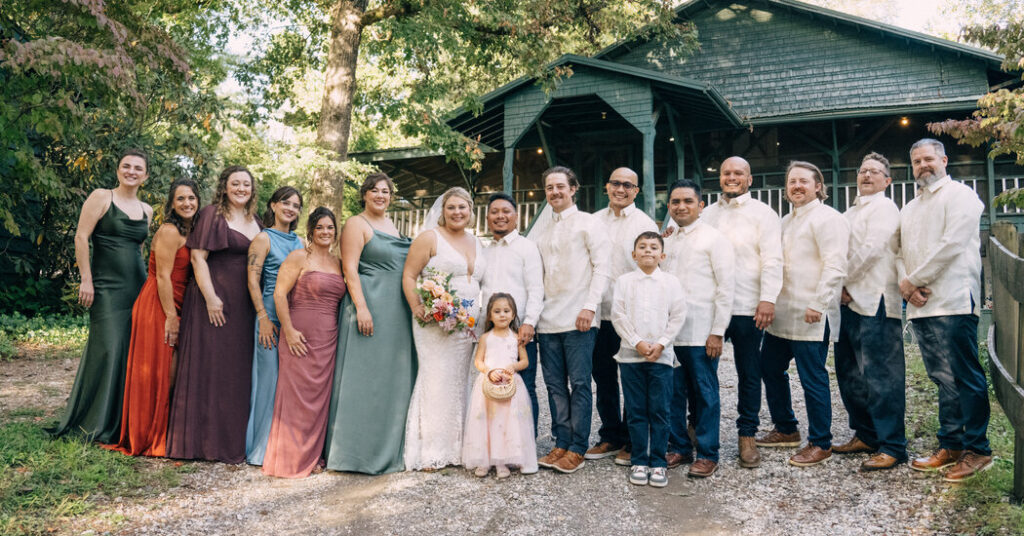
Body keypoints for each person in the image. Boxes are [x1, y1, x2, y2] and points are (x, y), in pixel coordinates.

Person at [900, 138, 991, 481]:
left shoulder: (961, 196)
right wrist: (907, 285)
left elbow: (952, 244)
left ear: (944, 160)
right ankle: (951, 444)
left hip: (953, 299)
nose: (923, 165)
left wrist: (913, 280)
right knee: (942, 378)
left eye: (928, 159)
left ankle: (978, 449)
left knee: (965, 376)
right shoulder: (910, 207)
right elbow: (900, 251)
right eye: (917, 161)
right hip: (922, 304)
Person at [50, 149, 152, 443]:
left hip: (137, 287)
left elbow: (139, 250)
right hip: (106, 286)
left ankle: (121, 419)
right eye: (126, 166)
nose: (131, 171)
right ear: (118, 170)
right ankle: (94, 419)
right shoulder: (101, 197)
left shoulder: (147, 210)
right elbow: (81, 237)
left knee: (129, 351)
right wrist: (86, 279)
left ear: (145, 176)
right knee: (107, 347)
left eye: (138, 168)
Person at [691, 156, 783, 469]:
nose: (732, 177)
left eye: (738, 173)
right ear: (719, 177)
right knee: (702, 372)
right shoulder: (706, 213)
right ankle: (697, 426)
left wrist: (767, 298)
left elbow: (772, 260)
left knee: (749, 372)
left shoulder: (763, 214)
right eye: (726, 172)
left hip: (746, 305)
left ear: (749, 179)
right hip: (711, 305)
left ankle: (747, 435)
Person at [167, 166, 262, 464]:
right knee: (211, 366)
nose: (241, 189)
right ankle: (204, 442)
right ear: (224, 187)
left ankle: (231, 440)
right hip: (214, 301)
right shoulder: (212, 215)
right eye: (235, 183)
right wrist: (210, 298)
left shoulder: (256, 220)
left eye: (246, 184)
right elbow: (198, 258)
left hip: (244, 304)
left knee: (234, 371)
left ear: (252, 189)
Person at [759, 161, 849, 467]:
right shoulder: (785, 221)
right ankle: (786, 428)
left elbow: (835, 265)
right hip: (783, 312)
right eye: (792, 181)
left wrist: (819, 303)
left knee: (812, 378)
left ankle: (821, 442)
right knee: (769, 367)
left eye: (803, 181)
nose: (796, 186)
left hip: (811, 312)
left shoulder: (828, 219)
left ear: (818, 186)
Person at [325, 173, 416, 475]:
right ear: (364, 194)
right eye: (374, 190)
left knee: (391, 378)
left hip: (397, 311)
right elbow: (349, 269)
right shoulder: (356, 224)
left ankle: (388, 447)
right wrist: (362, 308)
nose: (380, 195)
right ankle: (355, 453)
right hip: (369, 307)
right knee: (364, 378)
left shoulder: (392, 225)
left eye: (386, 191)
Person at [106, 178, 199, 457]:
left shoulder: (192, 230)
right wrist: (171, 316)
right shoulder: (170, 231)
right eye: (180, 198)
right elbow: (162, 277)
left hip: (176, 303)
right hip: (158, 304)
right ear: (171, 203)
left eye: (191, 198)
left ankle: (164, 430)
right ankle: (148, 434)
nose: (187, 203)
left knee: (170, 369)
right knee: (160, 371)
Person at [530, 166, 612, 474]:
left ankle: (577, 447)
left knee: (579, 384)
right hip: (548, 320)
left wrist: (590, 307)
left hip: (579, 318)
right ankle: (560, 442)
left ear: (573, 189)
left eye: (560, 186)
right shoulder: (543, 232)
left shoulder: (588, 223)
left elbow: (602, 268)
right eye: (549, 188)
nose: (554, 192)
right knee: (554, 385)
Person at [401, 187, 485, 470]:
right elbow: (409, 275)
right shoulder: (430, 238)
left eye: (462, 207)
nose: (457, 212)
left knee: (460, 381)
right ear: (442, 210)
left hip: (468, 325)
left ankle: (457, 448)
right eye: (451, 207)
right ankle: (431, 451)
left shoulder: (476, 241)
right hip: (435, 322)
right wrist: (417, 307)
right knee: (436, 380)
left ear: (470, 210)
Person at [834, 152, 907, 471]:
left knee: (881, 376)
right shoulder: (848, 213)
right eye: (863, 170)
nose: (867, 175)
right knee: (849, 372)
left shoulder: (885, 208)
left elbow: (871, 250)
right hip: (846, 302)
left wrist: (840, 281)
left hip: (875, 300)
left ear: (887, 181)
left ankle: (893, 445)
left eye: (875, 172)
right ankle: (866, 434)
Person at [263, 208, 347, 478]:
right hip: (299, 334)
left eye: (330, 227)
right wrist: (288, 330)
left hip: (328, 338)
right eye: (320, 227)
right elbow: (279, 294)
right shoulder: (299, 257)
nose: (325, 232)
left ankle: (311, 456)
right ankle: (289, 459)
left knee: (319, 398)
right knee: (295, 395)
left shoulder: (338, 262)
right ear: (310, 231)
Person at [663, 180, 735, 477]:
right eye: (675, 201)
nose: (681, 207)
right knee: (673, 393)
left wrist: (718, 331)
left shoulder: (714, 239)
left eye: (688, 201)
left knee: (705, 394)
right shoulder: (666, 240)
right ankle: (679, 446)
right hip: (670, 333)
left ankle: (708, 452)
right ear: (669, 206)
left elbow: (726, 288)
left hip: (701, 331)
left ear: (701, 206)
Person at [587, 167, 658, 465]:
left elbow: (651, 267)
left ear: (636, 191)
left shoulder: (644, 223)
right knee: (603, 376)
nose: (620, 189)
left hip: (630, 315)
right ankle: (610, 435)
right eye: (615, 183)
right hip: (599, 312)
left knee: (632, 378)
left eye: (627, 185)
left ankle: (632, 439)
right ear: (606, 186)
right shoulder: (592, 221)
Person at [611, 231, 686, 488]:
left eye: (654, 247)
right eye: (642, 247)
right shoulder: (624, 282)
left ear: (662, 255)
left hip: (661, 357)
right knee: (636, 411)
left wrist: (661, 343)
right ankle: (639, 460)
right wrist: (637, 342)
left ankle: (658, 462)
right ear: (634, 254)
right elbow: (618, 315)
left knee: (660, 410)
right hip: (631, 356)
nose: (648, 251)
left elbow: (677, 315)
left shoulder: (671, 283)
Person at [245, 186, 304, 465]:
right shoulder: (263, 238)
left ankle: (285, 444)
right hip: (269, 316)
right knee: (268, 380)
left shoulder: (300, 242)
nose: (290, 209)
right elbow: (252, 281)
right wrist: (263, 318)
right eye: (285, 203)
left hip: (294, 316)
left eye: (296, 205)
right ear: (273, 205)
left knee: (289, 381)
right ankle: (260, 448)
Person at [478, 192, 544, 436]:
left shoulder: (527, 248)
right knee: (493, 384)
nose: (500, 216)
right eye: (494, 212)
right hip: (491, 333)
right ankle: (499, 440)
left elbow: (536, 289)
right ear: (487, 218)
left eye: (506, 211)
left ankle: (526, 441)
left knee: (524, 387)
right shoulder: (484, 252)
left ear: (516, 216)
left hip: (519, 332)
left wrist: (529, 322)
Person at [462, 293, 538, 478]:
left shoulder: (516, 337)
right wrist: (488, 371)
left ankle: (501, 461)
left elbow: (525, 361)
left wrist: (513, 366)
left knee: (505, 423)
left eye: (506, 311)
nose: (502, 314)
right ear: (489, 315)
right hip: (488, 387)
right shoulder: (485, 338)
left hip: (510, 387)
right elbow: (478, 361)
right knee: (487, 422)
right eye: (497, 311)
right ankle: (485, 460)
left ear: (513, 314)